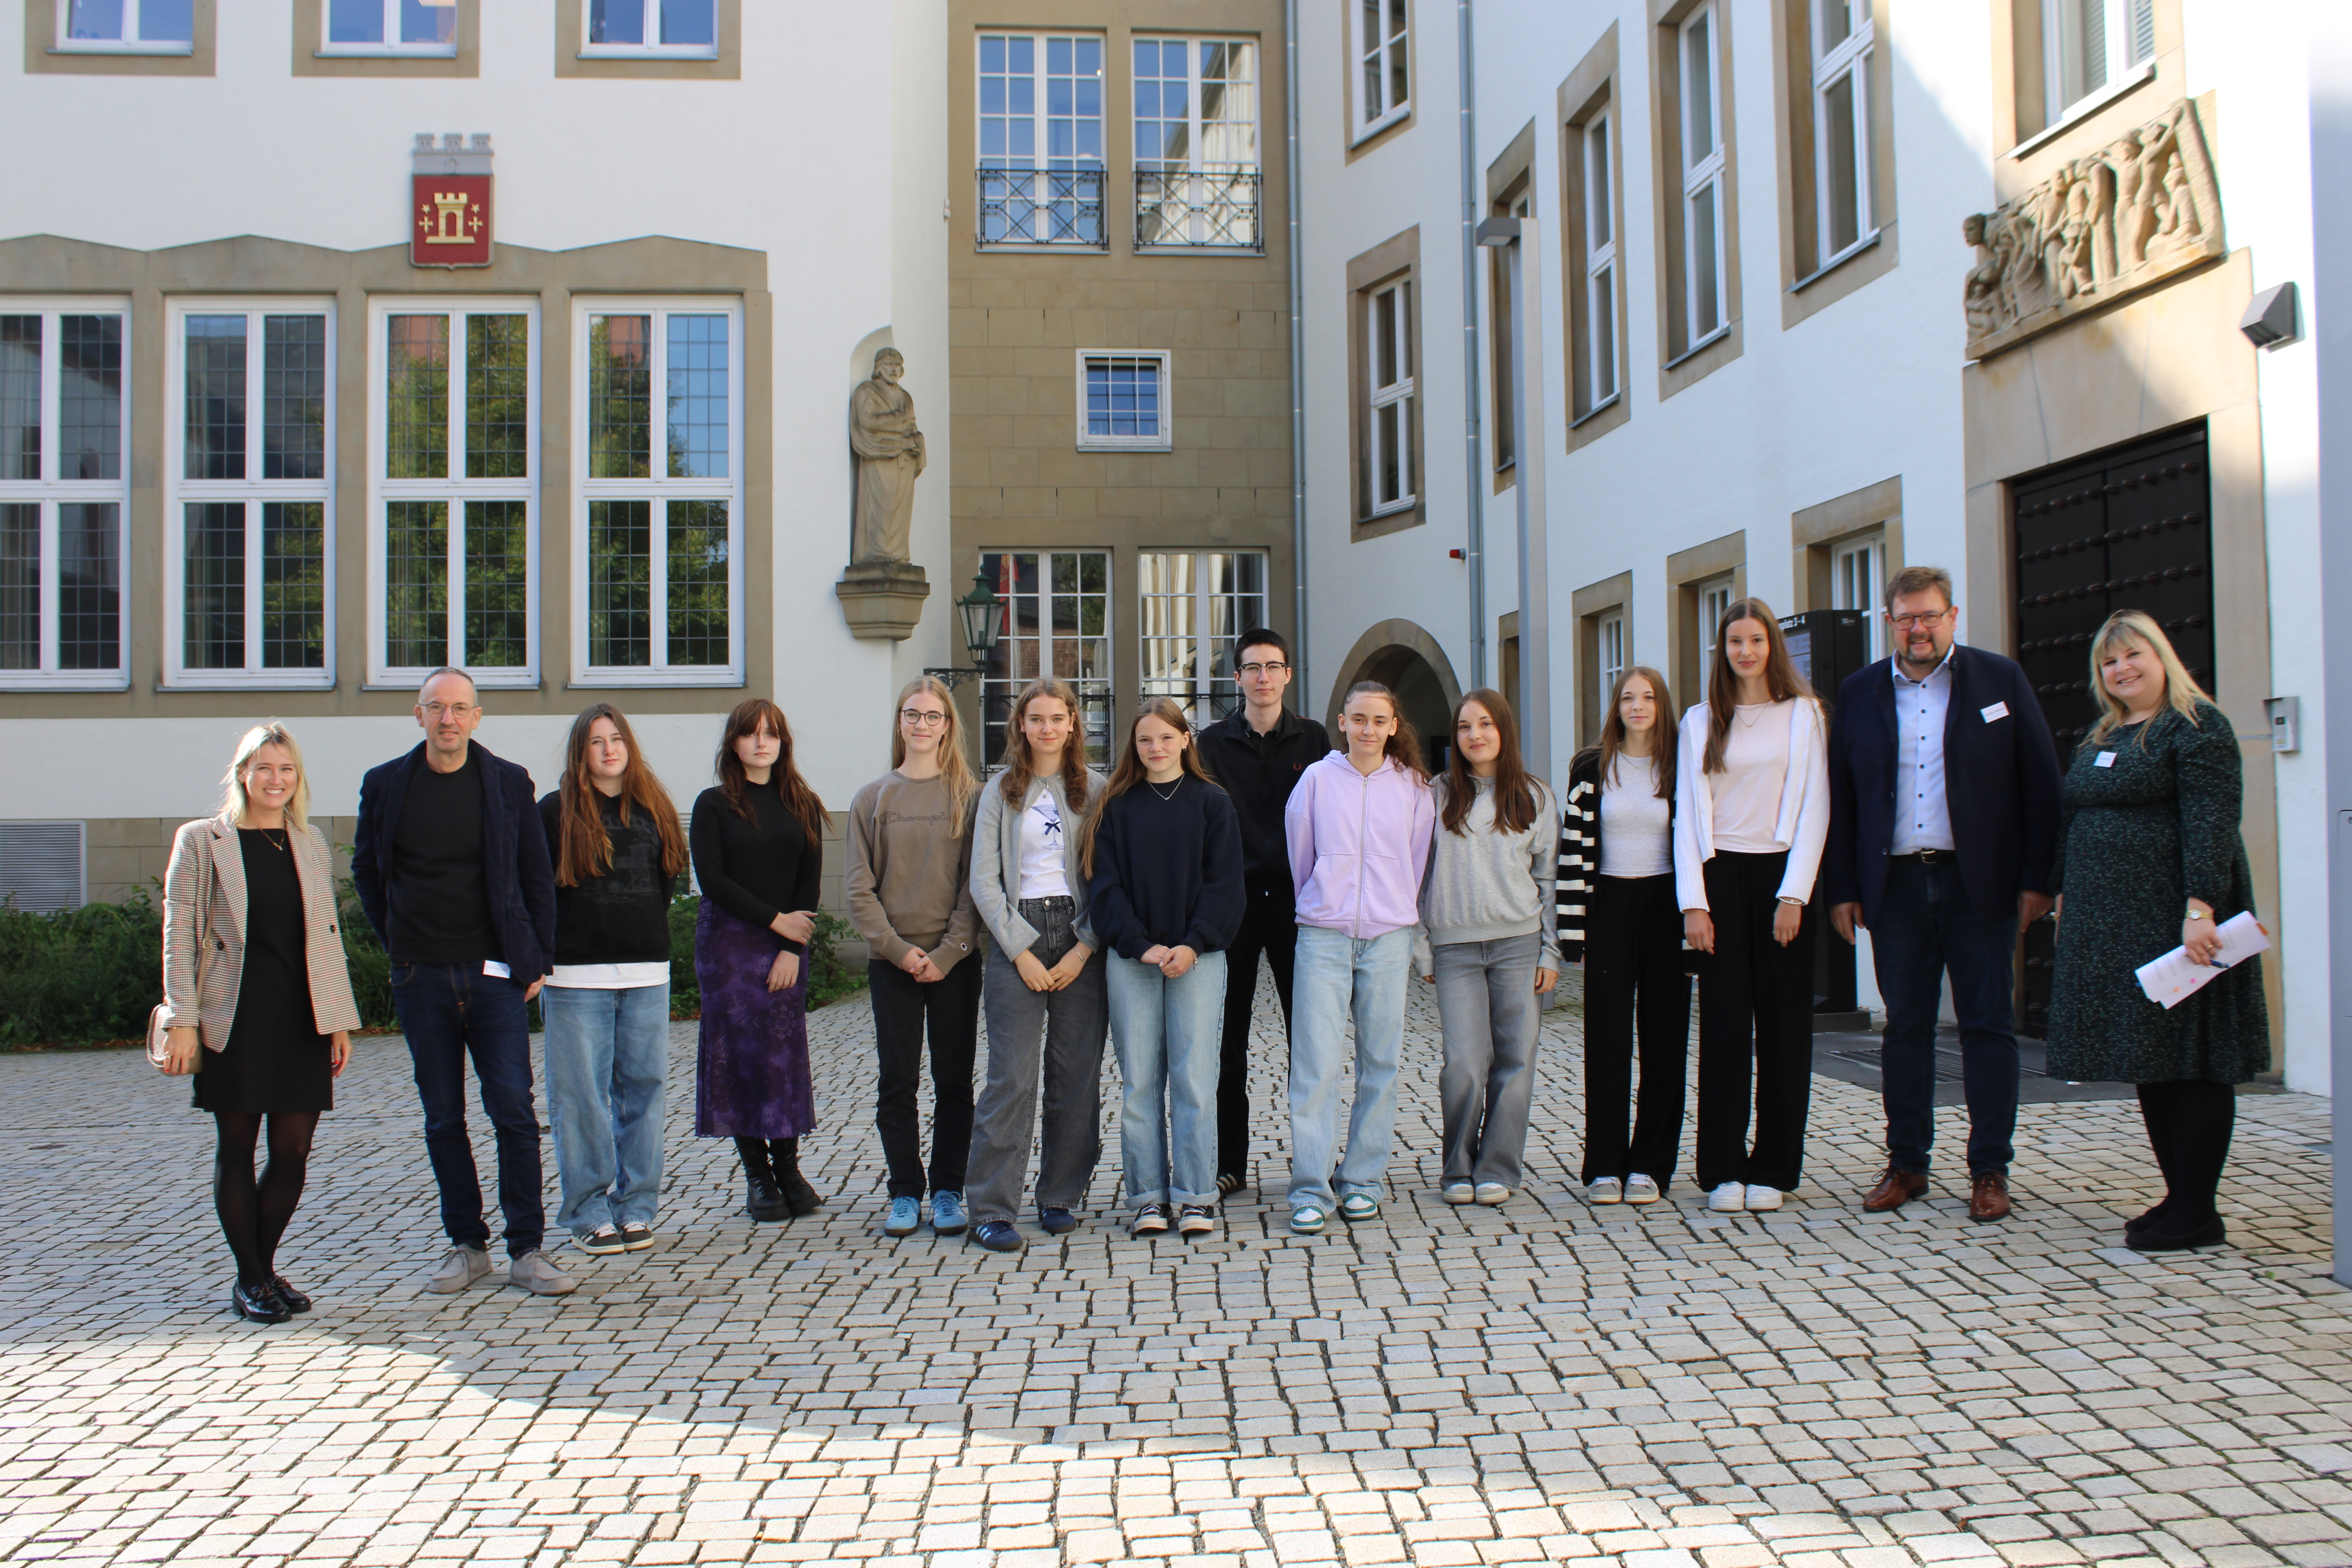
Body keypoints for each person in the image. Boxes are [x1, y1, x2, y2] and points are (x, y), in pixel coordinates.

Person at [1823, 566, 2063, 1223]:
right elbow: (1842, 800)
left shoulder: (2000, 681)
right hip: (1895, 884)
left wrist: (2039, 879)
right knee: (1906, 1029)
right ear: (1889, 622)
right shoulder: (1861, 692)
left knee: (1987, 1025)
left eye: (1929, 616)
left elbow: (2041, 785)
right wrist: (1842, 887)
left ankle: (1990, 1168)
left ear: (1953, 616)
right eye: (1905, 617)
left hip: (1977, 883)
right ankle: (1908, 1164)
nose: (1918, 628)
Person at [2045, 610, 2270, 1252]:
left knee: (2193, 1063)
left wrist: (2202, 907)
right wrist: (2066, 892)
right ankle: (2178, 1196)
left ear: (2160, 656)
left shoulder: (2196, 727)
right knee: (2152, 1060)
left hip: (2175, 922)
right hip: (2112, 926)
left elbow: (2212, 820)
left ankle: (2199, 1208)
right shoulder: (2103, 735)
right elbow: (2075, 817)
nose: (2122, 670)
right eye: (2109, 662)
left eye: (2133, 655)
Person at [354, 669, 571, 1296]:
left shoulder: (507, 782)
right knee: (443, 1117)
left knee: (514, 1114)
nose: (448, 719)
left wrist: (537, 960)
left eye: (459, 709)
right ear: (417, 716)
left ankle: (527, 1250)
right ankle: (467, 1244)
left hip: (495, 977)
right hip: (420, 975)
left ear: (477, 717)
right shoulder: (387, 785)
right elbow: (368, 872)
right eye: (436, 708)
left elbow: (537, 877)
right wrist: (396, 941)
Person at [160, 723, 360, 1323]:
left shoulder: (308, 843)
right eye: (265, 769)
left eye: (287, 770)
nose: (276, 780)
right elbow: (179, 936)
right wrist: (183, 1020)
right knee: (238, 1147)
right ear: (243, 774)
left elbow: (327, 938)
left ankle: (263, 1268)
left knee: (293, 1151)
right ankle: (250, 1279)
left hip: (302, 1013)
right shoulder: (202, 841)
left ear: (298, 780)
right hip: (234, 1013)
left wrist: (339, 1020)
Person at [1675, 601, 1831, 1215]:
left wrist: (1794, 894)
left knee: (1784, 1028)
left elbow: (1816, 808)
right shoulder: (1701, 720)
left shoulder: (1805, 715)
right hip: (1721, 875)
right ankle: (1722, 1169)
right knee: (1724, 1026)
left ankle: (1775, 1166)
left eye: (1756, 640)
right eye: (1735, 641)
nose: (1745, 652)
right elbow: (1687, 815)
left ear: (1773, 647)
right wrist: (1695, 904)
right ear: (1723, 649)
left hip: (1780, 873)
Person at [1082, 697, 1246, 1239]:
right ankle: (1148, 1197)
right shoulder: (1118, 805)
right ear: (1135, 745)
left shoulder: (1212, 802)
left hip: (1198, 961)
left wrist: (1193, 944)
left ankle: (1197, 1196)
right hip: (1133, 962)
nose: (1155, 748)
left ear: (1185, 740)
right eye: (1145, 739)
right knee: (1140, 1083)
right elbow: (1104, 887)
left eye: (1166, 737)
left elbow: (1227, 888)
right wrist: (1139, 944)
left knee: (1195, 1079)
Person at [1283, 681, 1437, 1235]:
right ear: (1342, 722)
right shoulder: (1317, 780)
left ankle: (1364, 1181)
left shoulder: (1416, 788)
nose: (1369, 729)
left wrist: (1395, 911)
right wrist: (1324, 902)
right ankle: (1310, 1188)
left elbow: (1415, 864)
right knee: (1316, 1065)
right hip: (1323, 936)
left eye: (1379, 720)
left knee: (1381, 1062)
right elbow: (1301, 856)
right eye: (1359, 719)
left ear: (1394, 726)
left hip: (1389, 938)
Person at [537, 704, 688, 1257]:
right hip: (576, 978)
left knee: (644, 1092)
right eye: (596, 741)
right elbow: (538, 891)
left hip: (646, 972)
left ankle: (637, 1207)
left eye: (616, 739)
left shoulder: (654, 808)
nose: (608, 750)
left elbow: (666, 879)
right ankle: (588, 1210)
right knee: (581, 1099)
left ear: (630, 746)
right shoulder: (554, 812)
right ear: (582, 752)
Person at [966, 678, 1110, 1253]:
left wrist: (1084, 947)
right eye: (1036, 719)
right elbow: (983, 879)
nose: (1047, 728)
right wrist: (1019, 949)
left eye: (1058, 718)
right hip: (1017, 937)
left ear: (1073, 724)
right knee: (1011, 1078)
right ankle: (992, 1209)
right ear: (1020, 726)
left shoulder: (1096, 790)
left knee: (1076, 1077)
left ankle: (1059, 1196)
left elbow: (1109, 879)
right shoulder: (998, 792)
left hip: (1078, 935)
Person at [846, 676, 984, 1241]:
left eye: (933, 716)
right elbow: (859, 891)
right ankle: (905, 1191)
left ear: (948, 725)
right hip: (894, 964)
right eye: (913, 714)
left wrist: (948, 953)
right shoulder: (872, 798)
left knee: (954, 1080)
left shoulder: (970, 797)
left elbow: (977, 885)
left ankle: (949, 1189)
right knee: (897, 1082)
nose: (922, 725)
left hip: (955, 963)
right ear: (900, 722)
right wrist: (901, 953)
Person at [1196, 628, 1330, 1200]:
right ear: (1237, 679)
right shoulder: (1210, 744)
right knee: (1227, 1040)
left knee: (1312, 1038)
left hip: (1300, 907)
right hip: (1235, 906)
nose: (1263, 677)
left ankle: (1315, 1163)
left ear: (1288, 675)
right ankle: (1229, 1163)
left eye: (1273, 667)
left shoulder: (1318, 739)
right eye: (1252, 668)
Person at [1414, 689, 1559, 1208]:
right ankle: (1457, 1167)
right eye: (1465, 727)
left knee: (1516, 1058)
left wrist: (1550, 952)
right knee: (1464, 1063)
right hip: (1454, 949)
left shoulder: (1535, 797)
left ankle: (1498, 1166)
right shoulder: (1433, 795)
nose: (1475, 736)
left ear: (1504, 731)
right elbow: (1416, 875)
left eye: (1486, 725)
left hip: (1518, 945)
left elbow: (1549, 881)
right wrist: (1423, 947)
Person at [690, 699, 829, 1224]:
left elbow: (808, 882)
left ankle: (790, 1171)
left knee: (782, 1059)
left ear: (783, 742)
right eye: (751, 734)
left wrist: (792, 947)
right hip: (729, 946)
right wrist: (777, 923)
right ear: (735, 743)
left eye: (771, 734)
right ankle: (758, 1177)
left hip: (784, 949)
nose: (762, 742)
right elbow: (714, 881)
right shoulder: (713, 805)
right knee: (741, 1060)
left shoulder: (801, 802)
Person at [1560, 666, 1689, 1207]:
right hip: (1609, 905)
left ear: (1662, 706)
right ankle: (1605, 1166)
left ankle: (1652, 1166)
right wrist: (1573, 930)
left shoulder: (1682, 765)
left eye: (1649, 697)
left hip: (1667, 906)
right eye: (1628, 697)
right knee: (1607, 1042)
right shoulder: (1592, 767)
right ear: (1616, 705)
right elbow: (1573, 849)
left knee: (1665, 1041)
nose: (1638, 706)